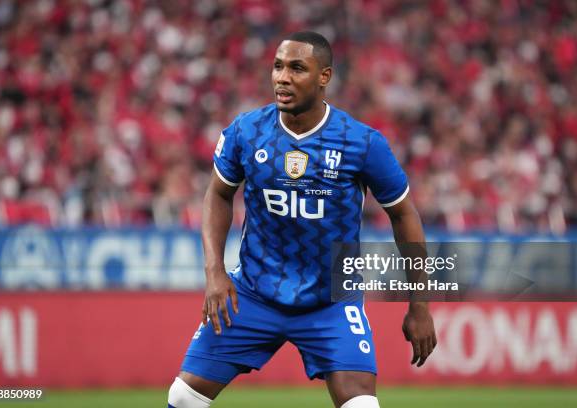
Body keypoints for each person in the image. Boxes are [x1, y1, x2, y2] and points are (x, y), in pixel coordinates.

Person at [167, 31, 436, 408]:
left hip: (330, 301)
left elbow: (404, 215)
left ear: (324, 76)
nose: (282, 77)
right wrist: (215, 271)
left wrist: (419, 305)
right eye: (278, 67)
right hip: (254, 294)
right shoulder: (247, 131)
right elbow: (218, 194)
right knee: (183, 397)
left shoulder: (361, 142)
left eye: (297, 68)